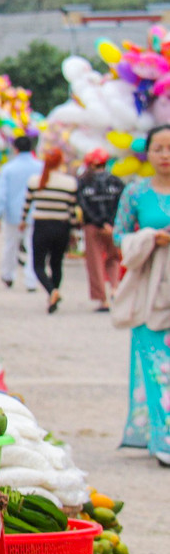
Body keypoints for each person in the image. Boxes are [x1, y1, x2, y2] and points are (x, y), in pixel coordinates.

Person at [112, 124, 170, 465]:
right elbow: (119, 236)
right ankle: (163, 438)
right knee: (156, 367)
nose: (166, 155)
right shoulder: (135, 192)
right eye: (159, 148)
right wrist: (150, 237)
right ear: (147, 153)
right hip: (150, 291)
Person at [21, 147, 79, 314]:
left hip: (41, 225)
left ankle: (51, 291)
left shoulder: (35, 181)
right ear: (61, 162)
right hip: (62, 227)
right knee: (56, 263)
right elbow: (72, 211)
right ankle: (54, 292)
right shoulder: (70, 183)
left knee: (38, 265)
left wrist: (22, 221)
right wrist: (74, 231)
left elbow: (26, 206)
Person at [0, 136, 43, 290]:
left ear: (16, 149)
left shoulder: (8, 169)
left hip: (13, 214)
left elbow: (1, 194)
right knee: (33, 247)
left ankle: (8, 275)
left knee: (10, 245)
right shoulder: (40, 167)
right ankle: (31, 281)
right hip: (35, 213)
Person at [77, 148, 125, 312]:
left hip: (92, 226)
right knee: (114, 258)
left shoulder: (83, 182)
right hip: (113, 226)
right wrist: (110, 223)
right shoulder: (116, 182)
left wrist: (98, 222)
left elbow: (83, 206)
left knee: (95, 262)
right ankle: (116, 289)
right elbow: (121, 205)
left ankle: (103, 299)